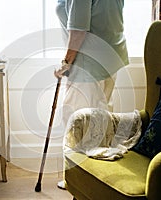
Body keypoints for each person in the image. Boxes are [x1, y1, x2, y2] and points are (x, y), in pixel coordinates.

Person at [54, 0, 129, 189]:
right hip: (111, 56)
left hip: (88, 62)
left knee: (77, 121)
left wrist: (66, 62)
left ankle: (79, 181)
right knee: (100, 120)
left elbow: (79, 30)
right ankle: (99, 179)